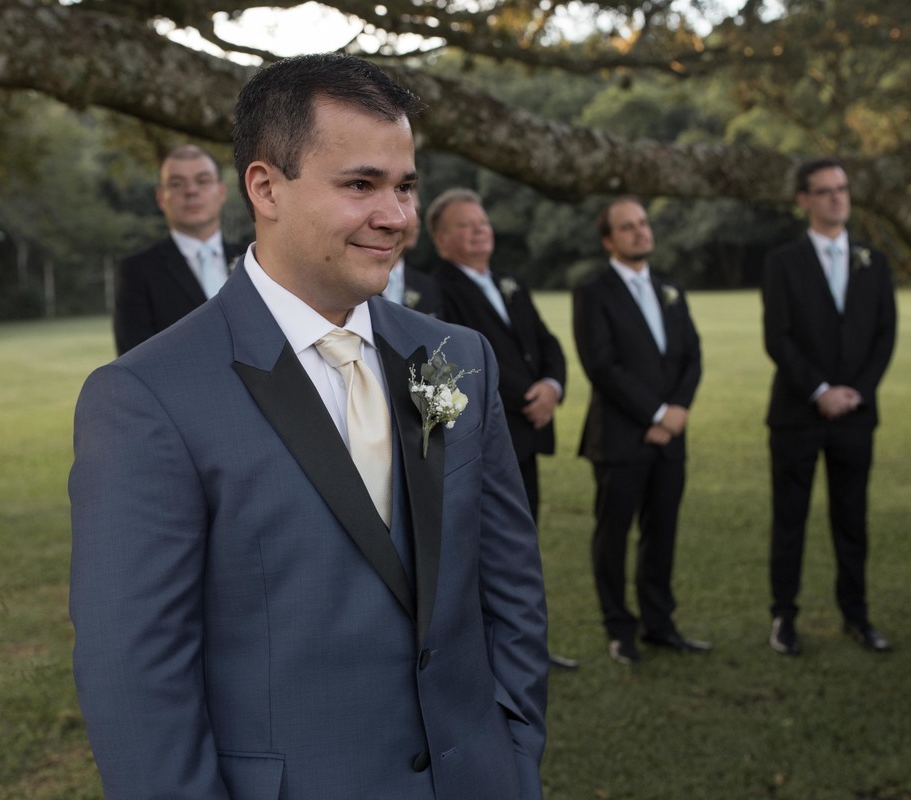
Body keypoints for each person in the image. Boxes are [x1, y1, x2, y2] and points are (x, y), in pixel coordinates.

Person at [69, 54, 548, 800]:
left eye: (406, 185)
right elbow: (136, 680)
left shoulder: (460, 358)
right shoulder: (146, 400)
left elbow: (510, 583)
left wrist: (514, 751)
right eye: (361, 184)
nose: (396, 216)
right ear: (266, 188)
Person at [428, 189, 576, 671]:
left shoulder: (510, 282)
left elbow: (548, 342)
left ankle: (523, 643)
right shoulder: (438, 289)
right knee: (481, 545)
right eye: (466, 224)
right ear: (440, 237)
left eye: (483, 222)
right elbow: (458, 358)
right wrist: (525, 396)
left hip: (529, 432)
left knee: (520, 540)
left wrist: (552, 384)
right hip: (490, 430)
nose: (480, 230)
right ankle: (482, 651)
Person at [762, 157, 897, 656]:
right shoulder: (783, 262)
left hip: (856, 416)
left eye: (842, 189)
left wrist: (854, 392)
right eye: (824, 191)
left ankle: (857, 616)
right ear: (804, 201)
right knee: (789, 521)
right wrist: (820, 390)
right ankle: (784, 618)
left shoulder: (873, 262)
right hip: (797, 415)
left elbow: (885, 335)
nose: (837, 198)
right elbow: (778, 337)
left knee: (852, 519)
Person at [573, 196, 708, 665]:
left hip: (672, 438)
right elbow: (602, 366)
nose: (640, 232)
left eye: (644, 224)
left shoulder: (670, 287)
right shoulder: (593, 292)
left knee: (662, 533)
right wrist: (655, 414)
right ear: (609, 239)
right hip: (619, 440)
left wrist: (677, 412)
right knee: (613, 537)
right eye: (627, 227)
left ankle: (659, 623)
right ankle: (619, 629)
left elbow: (692, 354)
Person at [112, 144, 245, 355]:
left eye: (202, 180)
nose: (191, 191)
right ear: (161, 197)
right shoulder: (136, 272)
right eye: (176, 183)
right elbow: (135, 360)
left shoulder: (256, 257)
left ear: (221, 191)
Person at [382, 207, 443, 315]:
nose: (416, 222)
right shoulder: (354, 282)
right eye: (403, 210)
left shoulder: (428, 286)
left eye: (417, 213)